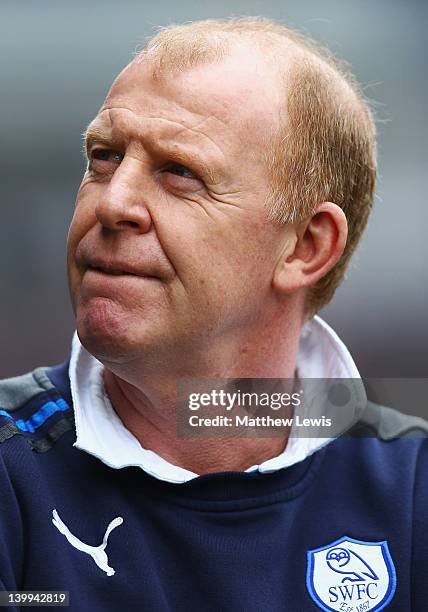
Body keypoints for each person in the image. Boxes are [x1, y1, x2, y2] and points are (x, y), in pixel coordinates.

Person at [0, 17, 426, 612]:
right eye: (104, 157)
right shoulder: (10, 465)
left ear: (306, 246)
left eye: (179, 172)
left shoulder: (413, 489)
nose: (114, 201)